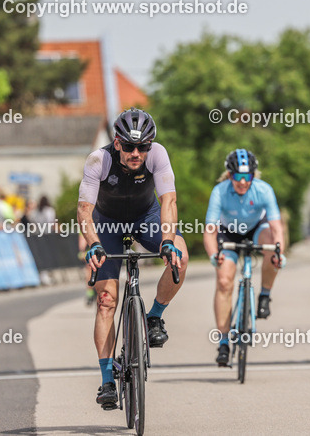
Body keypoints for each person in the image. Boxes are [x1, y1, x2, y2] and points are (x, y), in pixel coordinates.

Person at [79, 108, 188, 409]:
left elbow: (169, 200)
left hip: (146, 217)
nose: (136, 153)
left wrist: (167, 240)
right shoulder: (97, 161)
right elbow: (84, 210)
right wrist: (92, 244)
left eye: (143, 147)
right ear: (117, 143)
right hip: (108, 224)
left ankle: (154, 317)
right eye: (128, 146)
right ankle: (106, 380)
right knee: (106, 301)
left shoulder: (158, 155)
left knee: (181, 254)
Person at [204, 149, 285, 368]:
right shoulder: (220, 191)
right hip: (227, 232)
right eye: (237, 177)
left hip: (256, 229)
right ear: (229, 175)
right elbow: (210, 230)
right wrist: (214, 256)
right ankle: (223, 341)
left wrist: (279, 253)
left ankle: (265, 294)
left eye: (247, 176)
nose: (242, 182)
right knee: (224, 281)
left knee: (272, 248)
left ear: (253, 175)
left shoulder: (263, 190)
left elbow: (277, 228)